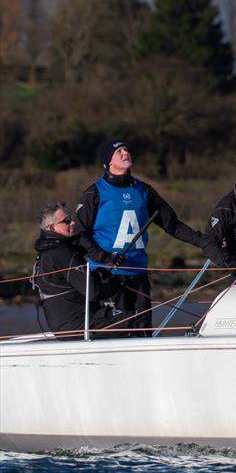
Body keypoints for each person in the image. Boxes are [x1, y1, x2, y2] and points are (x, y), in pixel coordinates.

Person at [74, 139, 203, 335]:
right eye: (119, 152)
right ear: (108, 162)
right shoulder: (94, 193)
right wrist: (105, 257)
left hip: (138, 276)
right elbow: (79, 235)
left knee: (143, 331)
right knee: (113, 333)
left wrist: (203, 241)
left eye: (126, 149)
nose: (125, 153)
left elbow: (172, 225)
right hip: (107, 278)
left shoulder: (144, 191)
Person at [33, 202, 124, 339]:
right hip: (77, 325)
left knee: (126, 317)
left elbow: (73, 283)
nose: (72, 223)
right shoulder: (61, 254)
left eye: (71, 219)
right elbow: (92, 292)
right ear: (52, 227)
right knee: (134, 319)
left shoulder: (49, 253)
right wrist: (117, 283)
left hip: (67, 324)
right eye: (66, 221)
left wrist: (98, 274)